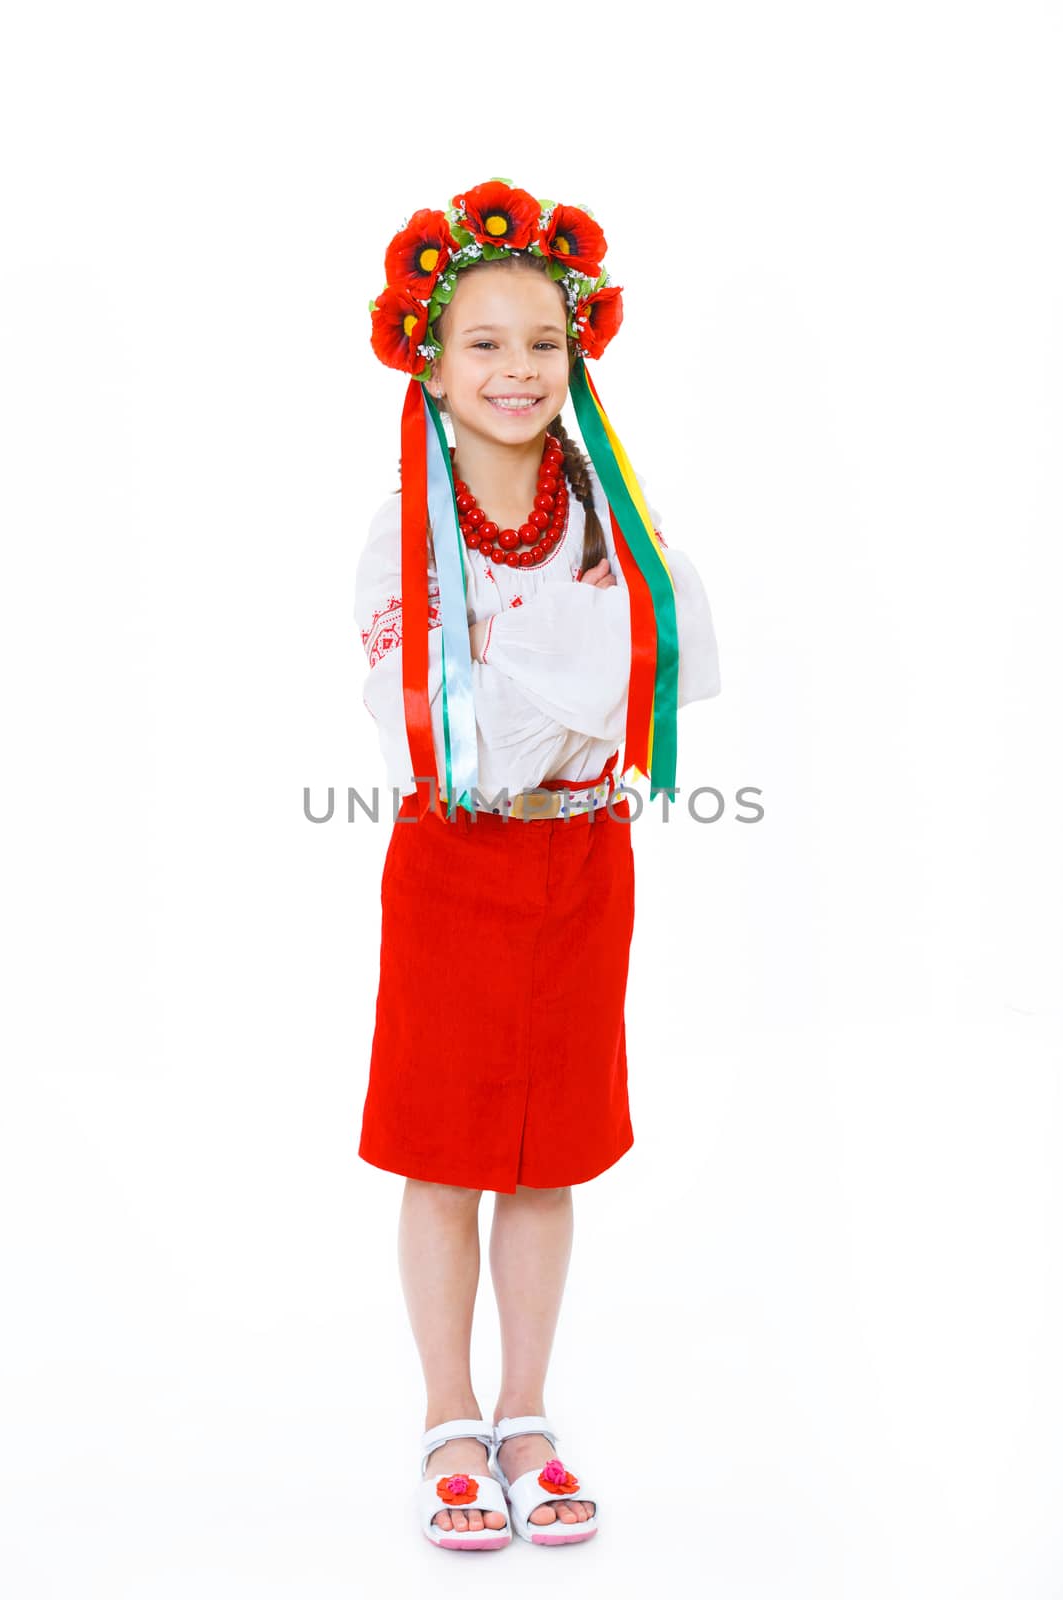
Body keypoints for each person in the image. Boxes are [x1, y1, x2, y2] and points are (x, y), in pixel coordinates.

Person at [356, 180, 721, 1549]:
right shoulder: (402, 542)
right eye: (486, 345)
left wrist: (550, 670)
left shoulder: (611, 520)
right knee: (446, 1153)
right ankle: (449, 1411)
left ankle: (527, 1408)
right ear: (432, 364)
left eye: (543, 345)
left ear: (575, 358)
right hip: (456, 867)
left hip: (582, 869)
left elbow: (674, 649)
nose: (518, 371)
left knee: (548, 1153)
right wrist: (580, 666)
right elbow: (468, 745)